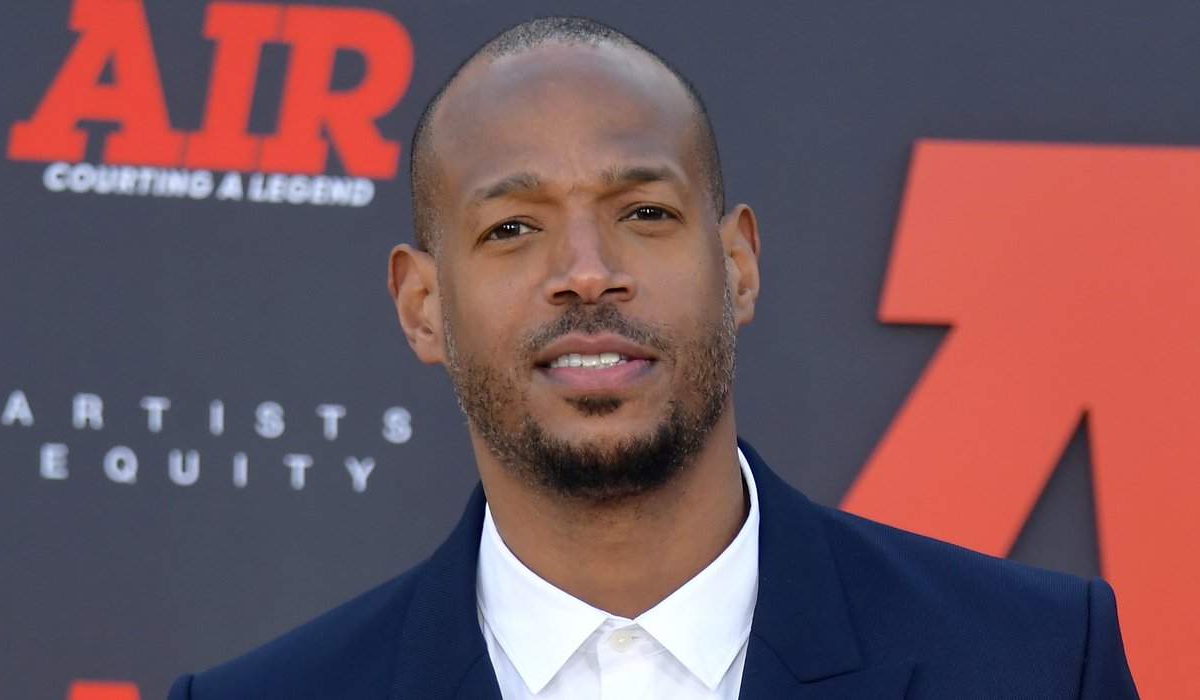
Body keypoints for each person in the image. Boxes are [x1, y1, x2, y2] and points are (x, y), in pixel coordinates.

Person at [169, 16, 1138, 699]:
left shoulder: (1039, 662)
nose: (586, 274)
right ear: (423, 307)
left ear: (739, 265)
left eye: (645, 213)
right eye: (511, 227)